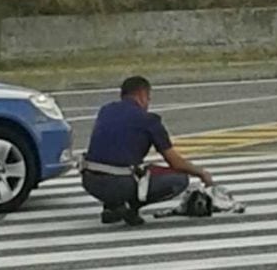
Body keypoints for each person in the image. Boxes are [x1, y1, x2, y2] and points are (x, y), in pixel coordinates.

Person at [81, 76, 214, 226]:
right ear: (142, 95)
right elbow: (175, 162)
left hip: (90, 180)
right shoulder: (149, 120)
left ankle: (112, 206)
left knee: (121, 164)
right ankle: (130, 207)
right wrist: (201, 173)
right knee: (179, 179)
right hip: (119, 183)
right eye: (148, 99)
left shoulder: (106, 110)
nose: (148, 103)